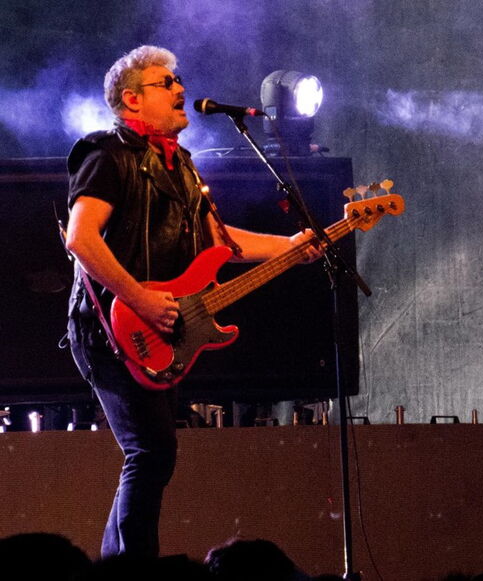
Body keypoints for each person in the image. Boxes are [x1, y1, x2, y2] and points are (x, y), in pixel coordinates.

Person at [65, 45, 316, 557]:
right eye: (166, 83)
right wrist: (142, 299)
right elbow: (81, 239)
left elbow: (219, 241)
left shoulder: (181, 166)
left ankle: (121, 564)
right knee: (151, 451)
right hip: (109, 326)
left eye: (179, 80)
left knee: (154, 454)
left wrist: (290, 248)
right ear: (131, 101)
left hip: (160, 325)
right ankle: (132, 570)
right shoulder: (105, 155)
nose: (181, 89)